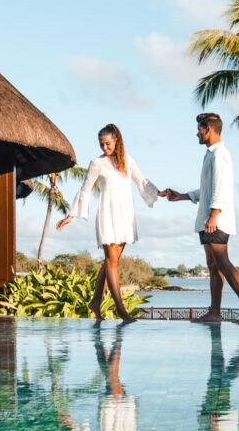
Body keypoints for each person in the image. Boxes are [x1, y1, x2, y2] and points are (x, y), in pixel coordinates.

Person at [57, 124, 165, 324]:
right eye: (101, 144)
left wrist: (158, 193)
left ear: (116, 140)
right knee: (111, 261)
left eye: (108, 143)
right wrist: (71, 215)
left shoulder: (127, 160)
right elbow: (85, 189)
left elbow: (141, 181)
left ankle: (95, 302)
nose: (105, 147)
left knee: (110, 262)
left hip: (125, 215)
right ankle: (121, 309)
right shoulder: (96, 163)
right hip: (108, 214)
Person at [166, 113, 239, 323]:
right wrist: (182, 196)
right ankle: (215, 312)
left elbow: (221, 188)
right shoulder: (210, 155)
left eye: (199, 129)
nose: (196, 134)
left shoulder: (220, 155)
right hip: (208, 219)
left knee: (223, 262)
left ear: (208, 129)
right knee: (213, 265)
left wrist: (213, 215)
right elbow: (208, 189)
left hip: (215, 220)